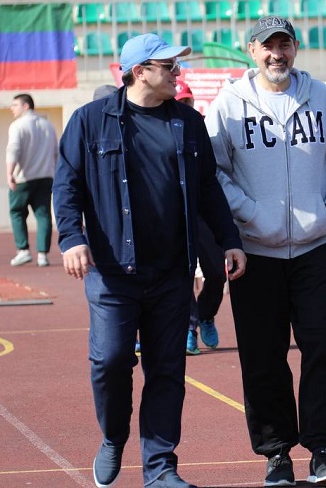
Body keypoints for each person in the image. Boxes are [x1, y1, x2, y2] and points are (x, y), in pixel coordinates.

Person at [53, 33, 246, 488]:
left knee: (167, 371)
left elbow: (208, 189)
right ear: (140, 71)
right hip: (112, 272)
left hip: (172, 273)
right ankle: (113, 436)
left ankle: (160, 468)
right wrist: (72, 238)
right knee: (110, 361)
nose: (178, 73)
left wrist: (229, 239)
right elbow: (66, 185)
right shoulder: (89, 121)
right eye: (169, 66)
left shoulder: (188, 122)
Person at [205, 16, 326, 487]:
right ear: (252, 50)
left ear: (295, 48)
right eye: (268, 46)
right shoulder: (229, 104)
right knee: (263, 355)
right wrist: (249, 212)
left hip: (316, 246)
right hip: (255, 251)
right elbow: (213, 171)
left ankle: (323, 451)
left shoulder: (321, 97)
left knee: (325, 348)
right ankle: (276, 454)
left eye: (285, 44)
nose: (277, 54)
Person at [174, 81, 226, 356]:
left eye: (188, 100)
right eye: (180, 102)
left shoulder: (201, 126)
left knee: (217, 273)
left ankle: (206, 314)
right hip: (175, 215)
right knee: (182, 274)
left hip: (204, 213)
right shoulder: (159, 130)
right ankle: (189, 329)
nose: (185, 106)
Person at [6, 93, 58, 267]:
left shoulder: (17, 125)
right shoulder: (48, 125)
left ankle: (23, 250)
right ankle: (42, 255)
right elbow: (56, 152)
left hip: (23, 178)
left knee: (17, 212)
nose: (11, 108)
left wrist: (9, 173)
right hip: (46, 177)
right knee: (43, 214)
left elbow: (13, 149)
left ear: (26, 106)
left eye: (15, 105)